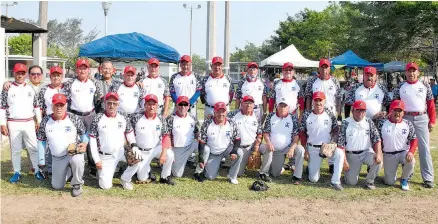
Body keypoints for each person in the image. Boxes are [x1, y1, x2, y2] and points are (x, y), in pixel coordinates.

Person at [393, 62, 436, 188]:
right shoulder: (400, 86)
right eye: (409, 71)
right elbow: (394, 105)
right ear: (405, 73)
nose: (411, 73)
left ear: (418, 73)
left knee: (424, 148)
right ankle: (406, 175)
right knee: (405, 148)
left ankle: (428, 178)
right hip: (405, 118)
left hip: (421, 118)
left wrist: (432, 120)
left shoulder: (425, 85)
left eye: (414, 71)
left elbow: (431, 104)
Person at [36, 93, 89, 197]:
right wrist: (41, 162)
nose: (59, 108)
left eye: (61, 105)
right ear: (52, 106)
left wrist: (85, 143)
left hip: (73, 153)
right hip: (57, 157)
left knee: (77, 160)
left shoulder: (73, 118)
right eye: (56, 105)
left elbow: (84, 134)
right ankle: (68, 171)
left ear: (66, 106)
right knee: (56, 186)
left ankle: (77, 184)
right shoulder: (45, 121)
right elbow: (41, 141)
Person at [120, 94, 175, 190]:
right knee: (142, 177)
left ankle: (165, 177)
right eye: (149, 104)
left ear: (157, 106)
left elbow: (166, 136)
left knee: (169, 154)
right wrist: (130, 147)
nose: (151, 107)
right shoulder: (136, 117)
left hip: (155, 148)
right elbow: (128, 132)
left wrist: (163, 153)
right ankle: (147, 172)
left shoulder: (161, 119)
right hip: (140, 150)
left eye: (154, 104)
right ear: (145, 105)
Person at [1, 63, 43, 183]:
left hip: (29, 121)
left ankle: (36, 170)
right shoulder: (7, 89)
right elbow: (2, 107)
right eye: (18, 73)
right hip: (13, 122)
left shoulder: (30, 88)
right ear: (14, 73)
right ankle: (17, 172)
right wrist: (2, 123)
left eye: (22, 73)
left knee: (33, 147)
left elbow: (36, 106)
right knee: (16, 149)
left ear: (25, 74)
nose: (20, 75)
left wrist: (39, 120)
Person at [63, 58, 104, 178]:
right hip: (75, 115)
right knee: (73, 141)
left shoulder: (94, 82)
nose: (83, 70)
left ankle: (92, 168)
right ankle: (72, 169)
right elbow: (65, 101)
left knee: (92, 142)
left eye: (85, 68)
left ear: (89, 70)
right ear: (76, 70)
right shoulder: (70, 83)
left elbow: (99, 100)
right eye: (80, 68)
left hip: (90, 115)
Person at [89, 92, 136, 190]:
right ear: (104, 103)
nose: (111, 106)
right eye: (109, 103)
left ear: (118, 104)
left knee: (138, 159)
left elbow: (129, 133)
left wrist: (134, 146)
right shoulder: (98, 118)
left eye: (114, 103)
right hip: (105, 156)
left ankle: (125, 179)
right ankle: (102, 172)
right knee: (105, 186)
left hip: (121, 152)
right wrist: (97, 160)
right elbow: (92, 141)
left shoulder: (123, 116)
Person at [299, 92, 344, 190]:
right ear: (313, 102)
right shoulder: (307, 114)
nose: (318, 103)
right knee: (313, 179)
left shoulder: (329, 113)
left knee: (340, 153)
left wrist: (332, 142)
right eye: (316, 100)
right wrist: (305, 149)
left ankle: (335, 181)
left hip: (327, 147)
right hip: (313, 147)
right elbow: (302, 133)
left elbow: (336, 129)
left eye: (320, 100)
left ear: (324, 101)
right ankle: (311, 168)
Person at [338, 100, 382, 190]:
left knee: (378, 161)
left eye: (363, 111)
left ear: (365, 112)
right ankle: (347, 175)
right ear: (352, 110)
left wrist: (378, 153)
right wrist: (344, 161)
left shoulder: (368, 121)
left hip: (366, 152)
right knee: (351, 183)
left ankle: (370, 181)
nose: (360, 113)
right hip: (351, 155)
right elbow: (341, 144)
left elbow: (377, 139)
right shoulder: (346, 123)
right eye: (358, 110)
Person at [193, 102, 241, 184]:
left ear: (226, 112)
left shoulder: (231, 123)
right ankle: (208, 167)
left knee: (239, 152)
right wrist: (201, 158)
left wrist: (234, 151)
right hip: (213, 152)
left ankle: (232, 176)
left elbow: (238, 138)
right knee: (210, 177)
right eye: (218, 111)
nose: (221, 114)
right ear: (214, 112)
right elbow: (202, 142)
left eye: (223, 111)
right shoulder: (207, 123)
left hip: (226, 149)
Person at [259, 97, 304, 183]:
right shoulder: (271, 116)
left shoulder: (293, 118)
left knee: (300, 149)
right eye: (281, 106)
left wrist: (292, 148)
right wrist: (268, 142)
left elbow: (296, 135)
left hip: (287, 147)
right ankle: (283, 166)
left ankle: (297, 176)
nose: (283, 108)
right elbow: (266, 132)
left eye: (285, 106)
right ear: (277, 106)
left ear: (288, 107)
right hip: (274, 149)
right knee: (275, 174)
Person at [377, 100, 417, 191]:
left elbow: (414, 139)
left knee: (411, 160)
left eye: (400, 111)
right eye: (395, 110)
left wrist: (411, 152)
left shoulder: (407, 124)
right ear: (390, 110)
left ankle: (404, 179)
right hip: (389, 154)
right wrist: (379, 153)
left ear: (403, 113)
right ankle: (391, 175)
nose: (397, 113)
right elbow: (377, 140)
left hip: (403, 152)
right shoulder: (382, 123)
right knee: (389, 182)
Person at [37, 65, 66, 174]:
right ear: (50, 76)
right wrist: (39, 121)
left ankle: (64, 167)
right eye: (53, 75)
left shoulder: (66, 87)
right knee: (49, 145)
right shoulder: (45, 89)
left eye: (58, 75)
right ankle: (49, 168)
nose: (56, 77)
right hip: (49, 120)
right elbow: (40, 106)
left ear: (62, 76)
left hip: (64, 120)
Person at [227, 96, 263, 179]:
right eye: (246, 103)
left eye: (250, 103)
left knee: (266, 148)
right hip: (236, 146)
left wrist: (256, 148)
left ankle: (264, 172)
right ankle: (229, 162)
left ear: (254, 105)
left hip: (250, 146)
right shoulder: (233, 114)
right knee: (238, 173)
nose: (248, 105)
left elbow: (260, 133)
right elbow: (222, 121)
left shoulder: (256, 117)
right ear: (241, 104)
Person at [166, 96, 200, 177]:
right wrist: (170, 153)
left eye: (185, 105)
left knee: (204, 147)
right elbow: (166, 137)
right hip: (177, 149)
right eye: (181, 104)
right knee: (177, 175)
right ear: (176, 105)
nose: (183, 107)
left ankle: (199, 170)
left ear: (189, 106)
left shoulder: (192, 117)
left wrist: (199, 141)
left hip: (190, 145)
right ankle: (168, 162)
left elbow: (197, 132)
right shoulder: (171, 118)